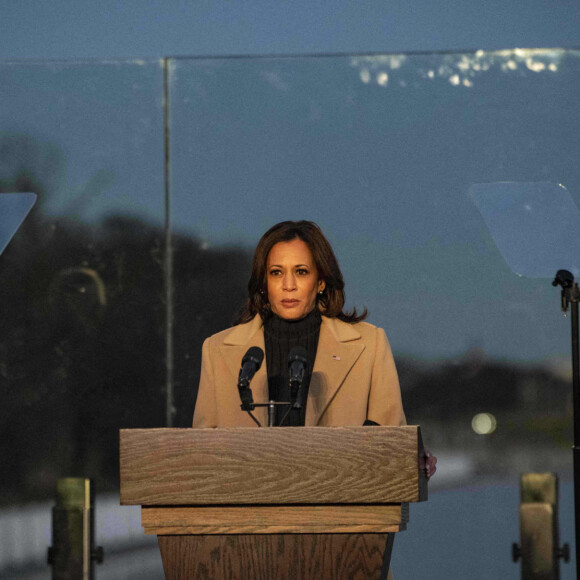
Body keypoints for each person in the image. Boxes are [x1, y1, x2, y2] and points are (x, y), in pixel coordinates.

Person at [192, 220, 436, 476]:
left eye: (301, 272)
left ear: (321, 281)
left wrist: (413, 458)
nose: (288, 285)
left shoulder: (369, 344)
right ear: (263, 283)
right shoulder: (218, 350)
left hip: (341, 508)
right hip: (247, 510)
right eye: (276, 272)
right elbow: (200, 456)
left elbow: (392, 445)